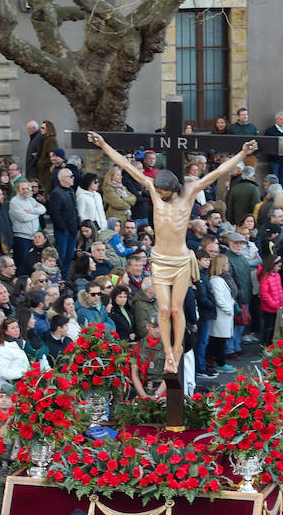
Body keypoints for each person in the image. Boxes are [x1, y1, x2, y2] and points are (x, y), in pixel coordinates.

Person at [88, 132, 257, 369]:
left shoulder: (188, 195)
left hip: (179, 259)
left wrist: (242, 153)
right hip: (159, 259)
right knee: (164, 310)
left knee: (177, 310)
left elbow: (217, 173)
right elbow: (126, 165)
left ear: (172, 188)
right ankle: (168, 352)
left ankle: (177, 347)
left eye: (163, 192)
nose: (158, 195)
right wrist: (104, 144)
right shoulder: (155, 192)